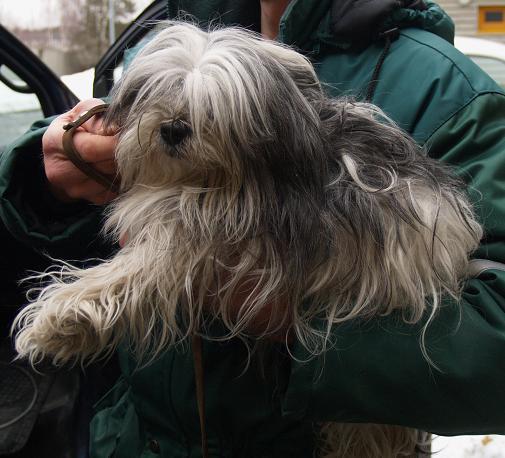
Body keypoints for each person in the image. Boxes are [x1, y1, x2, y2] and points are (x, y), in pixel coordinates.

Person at [1, 0, 505, 456]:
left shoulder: (446, 88)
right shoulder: (159, 38)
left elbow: (492, 350)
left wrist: (288, 318)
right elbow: (116, 208)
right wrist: (46, 183)